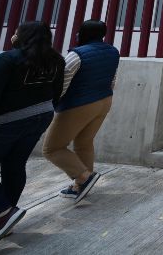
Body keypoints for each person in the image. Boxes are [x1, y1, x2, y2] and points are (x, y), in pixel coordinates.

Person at [0, 21, 65, 248]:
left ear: (22, 36)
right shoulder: (57, 60)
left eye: (16, 32)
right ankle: (4, 219)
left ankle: (4, 212)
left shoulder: (8, 59)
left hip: (6, 121)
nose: (12, 35)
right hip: (41, 116)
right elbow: (57, 92)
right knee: (14, 165)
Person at [42, 20, 120, 203]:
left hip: (79, 104)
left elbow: (63, 81)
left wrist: (54, 102)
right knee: (84, 143)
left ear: (82, 33)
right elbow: (113, 78)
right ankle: (81, 185)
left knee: (52, 148)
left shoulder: (76, 55)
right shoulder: (112, 51)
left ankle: (84, 177)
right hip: (104, 100)